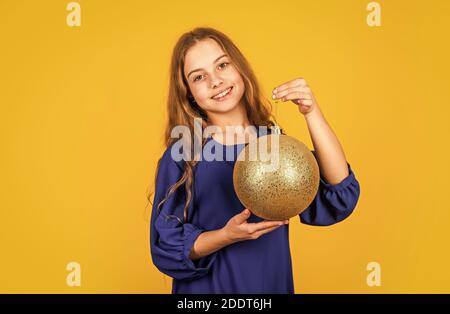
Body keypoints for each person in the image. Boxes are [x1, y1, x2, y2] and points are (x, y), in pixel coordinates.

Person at [149, 27, 360, 294]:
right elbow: (165, 245)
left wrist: (312, 112)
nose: (216, 81)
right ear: (189, 92)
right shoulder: (183, 152)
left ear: (238, 68)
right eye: (199, 77)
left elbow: (338, 192)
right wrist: (225, 236)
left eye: (222, 65)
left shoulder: (273, 143)